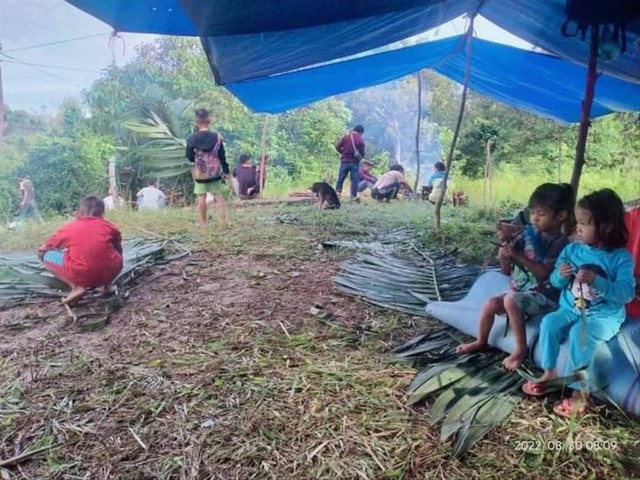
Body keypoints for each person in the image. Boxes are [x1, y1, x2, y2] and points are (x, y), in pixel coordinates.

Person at [522, 189, 635, 417]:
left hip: (604, 315)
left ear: (606, 227)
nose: (578, 229)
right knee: (549, 323)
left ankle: (580, 392)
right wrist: (561, 275)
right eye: (578, 222)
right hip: (570, 308)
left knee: (579, 334)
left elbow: (626, 294)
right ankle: (550, 371)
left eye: (584, 224)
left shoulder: (621, 258)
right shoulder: (572, 249)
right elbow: (554, 280)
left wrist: (598, 281)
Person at [457, 183, 575, 370]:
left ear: (560, 216)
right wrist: (504, 253)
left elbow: (544, 273)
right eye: (533, 212)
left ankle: (521, 349)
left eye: (541, 214)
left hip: (545, 296)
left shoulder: (560, 243)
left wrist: (517, 255)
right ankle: (481, 340)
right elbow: (506, 271)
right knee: (490, 304)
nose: (535, 218)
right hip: (521, 290)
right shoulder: (527, 235)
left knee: (511, 300)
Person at [37, 196, 123, 306]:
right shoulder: (109, 226)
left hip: (82, 273)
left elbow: (47, 246)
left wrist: (42, 251)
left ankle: (76, 287)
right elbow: (118, 248)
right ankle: (106, 285)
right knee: (109, 254)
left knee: (46, 255)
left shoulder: (69, 228)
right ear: (102, 212)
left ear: (79, 211)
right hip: (112, 270)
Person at [186, 108, 230, 228]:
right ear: (209, 120)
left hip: (200, 173)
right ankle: (225, 221)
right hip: (215, 172)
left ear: (196, 121)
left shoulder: (192, 139)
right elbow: (222, 155)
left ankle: (203, 223)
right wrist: (225, 171)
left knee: (201, 197)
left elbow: (189, 157)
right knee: (218, 195)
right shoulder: (216, 137)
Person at [335, 125, 365, 200]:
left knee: (340, 178)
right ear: (361, 132)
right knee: (354, 180)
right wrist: (360, 157)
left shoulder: (346, 137)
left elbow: (337, 146)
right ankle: (353, 196)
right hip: (354, 162)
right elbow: (362, 152)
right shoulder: (360, 139)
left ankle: (338, 195)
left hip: (344, 161)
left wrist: (343, 153)